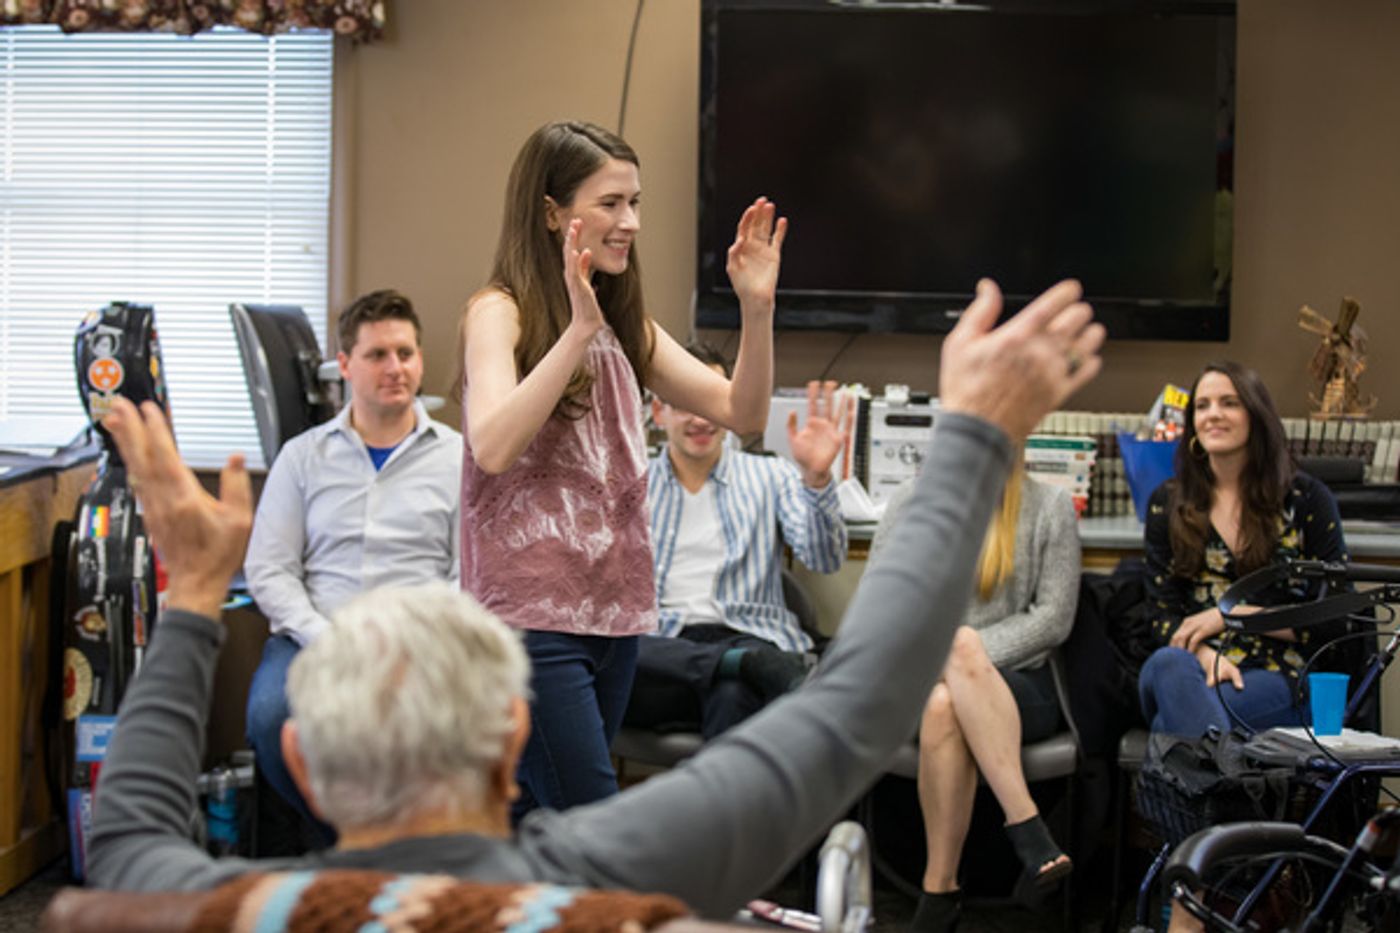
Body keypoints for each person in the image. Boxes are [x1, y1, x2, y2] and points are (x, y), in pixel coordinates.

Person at [85, 278, 1105, 921]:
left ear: (302, 756)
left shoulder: (206, 905)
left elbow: (127, 831)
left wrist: (193, 599)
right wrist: (977, 434)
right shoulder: (601, 881)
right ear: (511, 733)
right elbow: (855, 709)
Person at [459, 121, 784, 815]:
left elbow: (743, 411)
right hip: (530, 618)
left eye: (635, 203)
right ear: (552, 212)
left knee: (540, 824)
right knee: (594, 823)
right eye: (610, 203)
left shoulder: (626, 321)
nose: (629, 221)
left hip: (615, 617)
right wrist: (576, 330)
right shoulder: (499, 312)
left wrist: (757, 309)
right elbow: (491, 444)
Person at [243, 290, 461, 836]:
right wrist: (324, 637)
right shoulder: (303, 456)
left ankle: (398, 850)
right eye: (377, 355)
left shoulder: (460, 458)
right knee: (271, 719)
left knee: (439, 729)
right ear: (343, 366)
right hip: (317, 638)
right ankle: (340, 843)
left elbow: (469, 573)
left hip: (421, 640)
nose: (396, 368)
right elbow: (269, 570)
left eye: (406, 354)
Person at [872, 462, 1080, 930]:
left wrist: (967, 655)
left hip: (1020, 685)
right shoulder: (911, 499)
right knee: (943, 702)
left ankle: (938, 894)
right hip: (920, 684)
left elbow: (1053, 619)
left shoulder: (1051, 506)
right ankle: (1024, 825)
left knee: (960, 657)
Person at [625, 343, 850, 739]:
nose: (700, 418)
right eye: (683, 403)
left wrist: (816, 481)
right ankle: (737, 663)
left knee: (733, 692)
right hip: (662, 651)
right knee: (606, 653)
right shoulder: (631, 483)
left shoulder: (770, 476)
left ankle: (737, 665)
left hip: (747, 634)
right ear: (658, 413)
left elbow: (824, 559)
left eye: (712, 401)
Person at [1138, 361, 1351, 739]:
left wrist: (1233, 616)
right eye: (1202, 406)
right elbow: (1160, 615)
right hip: (1189, 664)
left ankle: (1201, 796)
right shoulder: (1167, 502)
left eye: (1229, 403)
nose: (1213, 415)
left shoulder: (1306, 500)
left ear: (1256, 415)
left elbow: (1334, 619)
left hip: (1274, 672)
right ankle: (1226, 794)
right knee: (1170, 666)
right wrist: (1203, 656)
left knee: (1168, 726)